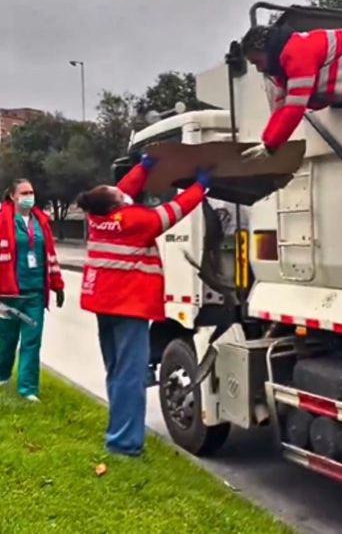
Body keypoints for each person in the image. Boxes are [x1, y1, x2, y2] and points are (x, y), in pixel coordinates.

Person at [76, 154, 210, 457]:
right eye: (120, 195)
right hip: (128, 309)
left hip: (104, 306)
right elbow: (174, 210)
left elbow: (119, 189)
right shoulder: (136, 221)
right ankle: (124, 445)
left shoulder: (97, 217)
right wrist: (201, 187)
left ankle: (117, 434)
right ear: (116, 205)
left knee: (116, 371)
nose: (124, 192)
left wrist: (144, 168)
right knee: (131, 375)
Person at [238, 23, 342, 160]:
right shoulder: (282, 69)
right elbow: (281, 110)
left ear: (268, 51)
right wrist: (266, 142)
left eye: (258, 62)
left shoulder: (297, 53)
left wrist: (271, 147)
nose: (259, 69)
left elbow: (295, 109)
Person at [0, 179, 65, 401]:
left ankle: (27, 389)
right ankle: (1, 376)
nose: (29, 196)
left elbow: (50, 256)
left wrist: (58, 285)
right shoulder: (2, 220)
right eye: (24, 192)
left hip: (35, 292)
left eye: (31, 192)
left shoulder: (41, 222)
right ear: (12, 196)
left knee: (31, 341)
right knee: (6, 339)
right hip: (8, 293)